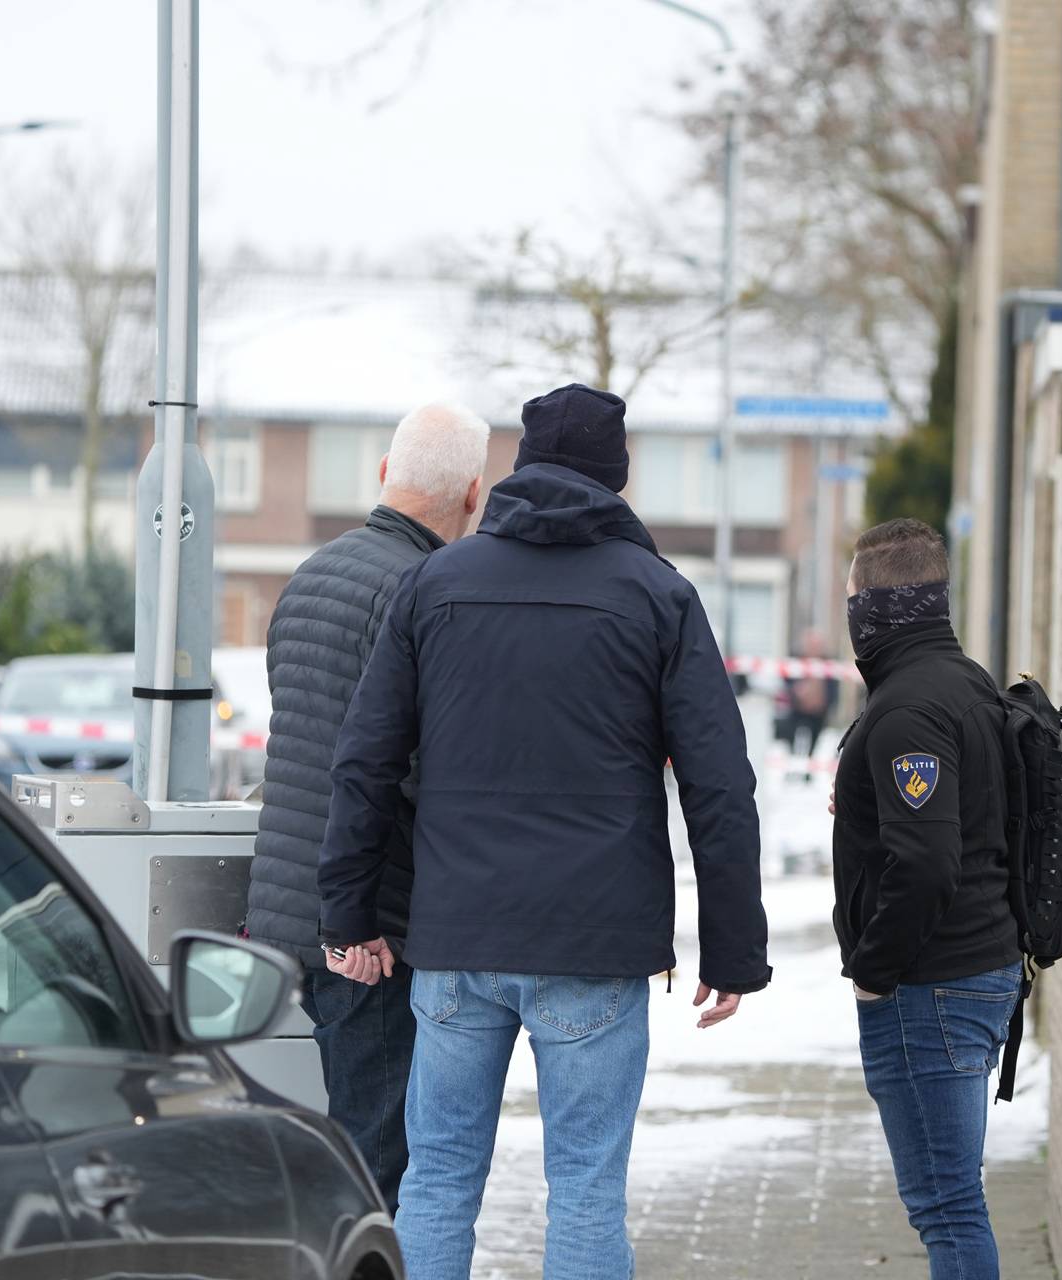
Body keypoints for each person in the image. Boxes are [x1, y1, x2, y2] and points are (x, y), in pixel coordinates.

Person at [318, 382, 771, 1280]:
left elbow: (364, 761)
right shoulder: (659, 596)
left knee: (439, 1182)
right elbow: (720, 785)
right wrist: (733, 951)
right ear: (619, 478)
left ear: (516, 473)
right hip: (595, 948)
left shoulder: (434, 585)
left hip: (456, 940)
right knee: (588, 1192)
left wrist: (347, 912)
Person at [244, 400, 491, 1215]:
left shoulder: (313, 572)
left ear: (386, 472)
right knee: (378, 1161)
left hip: (299, 908)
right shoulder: (420, 589)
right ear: (472, 496)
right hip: (373, 924)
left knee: (352, 1139)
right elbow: (414, 769)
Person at [829, 517, 1019, 1280]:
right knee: (952, 1202)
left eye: (850, 596)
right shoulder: (963, 681)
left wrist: (874, 969)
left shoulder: (907, 708)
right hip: (974, 967)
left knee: (947, 1209)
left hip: (930, 985)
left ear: (872, 610)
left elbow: (928, 864)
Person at [776, 627, 842, 756]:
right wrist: (796, 690)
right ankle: (793, 760)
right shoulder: (796, 660)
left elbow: (833, 688)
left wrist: (828, 704)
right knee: (790, 735)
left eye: (817, 645)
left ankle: (808, 763)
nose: (814, 648)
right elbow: (786, 682)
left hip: (818, 711)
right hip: (797, 709)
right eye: (811, 644)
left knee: (814, 742)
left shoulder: (828, 663)